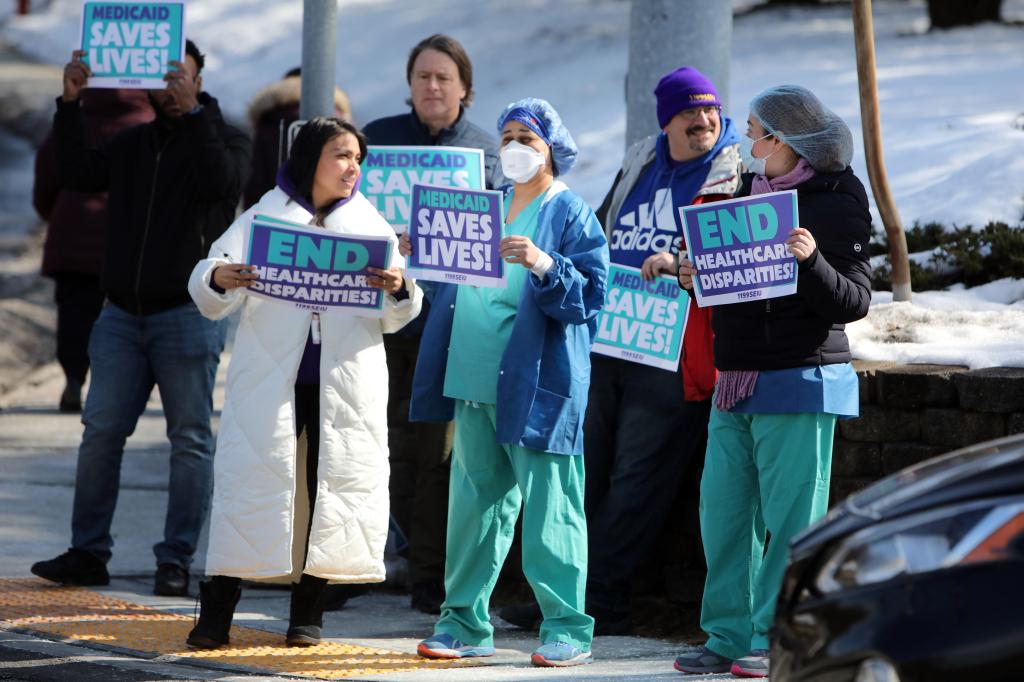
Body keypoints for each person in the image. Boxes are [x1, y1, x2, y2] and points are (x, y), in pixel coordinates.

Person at [499, 66, 740, 635]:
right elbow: (597, 237)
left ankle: (603, 598)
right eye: (689, 112)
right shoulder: (641, 161)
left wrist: (681, 261)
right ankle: (564, 592)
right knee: (588, 467)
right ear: (666, 121)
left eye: (710, 110)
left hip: (676, 348)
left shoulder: (736, 170)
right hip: (611, 338)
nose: (703, 120)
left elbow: (736, 250)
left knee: (639, 476)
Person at [184, 117, 422, 649]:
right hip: (271, 383)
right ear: (310, 158)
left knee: (330, 493)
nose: (352, 167)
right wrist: (217, 277)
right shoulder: (266, 215)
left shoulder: (368, 223)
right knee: (249, 488)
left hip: (344, 390)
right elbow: (210, 276)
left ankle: (308, 613)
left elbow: (400, 310)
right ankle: (217, 612)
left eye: (358, 158)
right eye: (341, 155)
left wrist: (400, 286)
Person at [30, 40, 251, 598]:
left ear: (200, 81)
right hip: (121, 317)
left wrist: (197, 117)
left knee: (191, 441)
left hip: (187, 314)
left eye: (184, 75)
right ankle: (87, 552)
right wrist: (69, 103)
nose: (172, 84)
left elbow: (221, 183)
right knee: (100, 433)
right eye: (164, 76)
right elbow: (76, 173)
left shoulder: (225, 138)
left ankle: (175, 558)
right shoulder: (130, 143)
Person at [672, 85, 871, 678]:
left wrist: (810, 261)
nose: (746, 142)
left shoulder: (838, 196)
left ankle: (778, 638)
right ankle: (727, 635)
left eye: (756, 131)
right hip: (735, 380)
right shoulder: (740, 192)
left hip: (802, 376)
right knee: (723, 515)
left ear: (785, 140)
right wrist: (693, 275)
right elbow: (732, 287)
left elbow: (856, 300)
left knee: (791, 523)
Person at [407, 98, 608, 668]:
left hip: (538, 382)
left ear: (552, 149)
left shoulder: (568, 212)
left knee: (552, 507)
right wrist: (417, 250)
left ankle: (568, 626)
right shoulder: (483, 209)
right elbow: (447, 281)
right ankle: (463, 623)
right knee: (473, 508)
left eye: (530, 138)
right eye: (508, 136)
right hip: (474, 378)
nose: (516, 147)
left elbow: (592, 297)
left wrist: (545, 263)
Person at [362, 33, 500, 615]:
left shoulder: (487, 153)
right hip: (378, 322)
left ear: (465, 89)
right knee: (372, 444)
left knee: (437, 453)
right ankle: (360, 563)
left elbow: (495, 242)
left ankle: (427, 573)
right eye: (423, 76)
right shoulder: (377, 140)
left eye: (444, 77)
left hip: (449, 323)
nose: (433, 87)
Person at [32, 88, 154, 412]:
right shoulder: (149, 123)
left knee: (74, 313)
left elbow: (47, 173)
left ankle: (74, 377)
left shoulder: (74, 120)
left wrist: (54, 213)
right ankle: (114, 387)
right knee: (123, 314)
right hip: (130, 238)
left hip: (72, 229)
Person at [243, 67, 352, 209]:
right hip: (329, 212)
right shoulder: (338, 119)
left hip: (275, 210)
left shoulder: (270, 120)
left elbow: (257, 176)